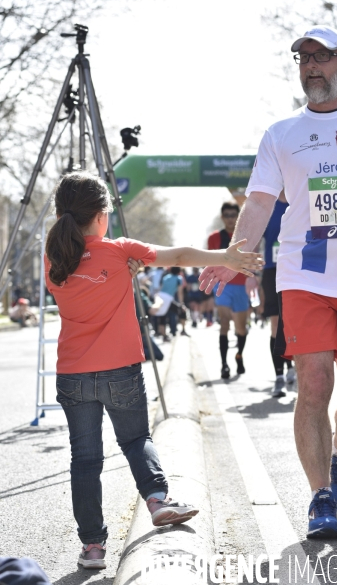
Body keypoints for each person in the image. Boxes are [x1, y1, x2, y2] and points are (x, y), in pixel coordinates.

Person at [199, 25, 337, 539]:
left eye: (322, 56)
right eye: (302, 57)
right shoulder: (280, 133)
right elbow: (261, 203)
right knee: (312, 385)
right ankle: (319, 499)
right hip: (303, 275)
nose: (310, 65)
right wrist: (233, 257)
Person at [44, 171, 262, 569]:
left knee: (85, 460)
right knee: (135, 439)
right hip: (120, 371)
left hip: (73, 374)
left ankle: (92, 548)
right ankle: (158, 501)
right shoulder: (119, 250)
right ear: (101, 216)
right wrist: (225, 257)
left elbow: (86, 281)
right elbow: (177, 257)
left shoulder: (54, 258)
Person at [208, 202, 253, 379]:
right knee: (224, 324)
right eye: (226, 215)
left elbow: (252, 260)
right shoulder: (214, 238)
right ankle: (224, 365)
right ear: (222, 217)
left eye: (233, 215)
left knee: (241, 328)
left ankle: (239, 355)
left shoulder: (246, 238)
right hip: (222, 286)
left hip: (241, 286)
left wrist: (253, 280)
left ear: (238, 216)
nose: (230, 219)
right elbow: (209, 261)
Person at [261, 192, 296, 397]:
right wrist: (249, 274)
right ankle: (279, 377)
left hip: (297, 269)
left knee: (293, 323)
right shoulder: (267, 205)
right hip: (272, 271)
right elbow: (254, 239)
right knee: (276, 325)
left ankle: (292, 367)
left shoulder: (299, 198)